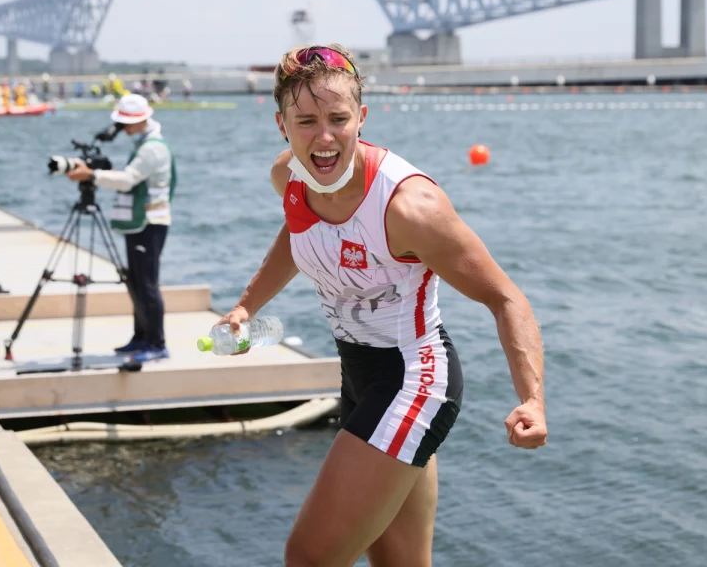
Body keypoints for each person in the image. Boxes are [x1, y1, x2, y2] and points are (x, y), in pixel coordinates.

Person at [217, 44, 547, 566]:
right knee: (398, 564)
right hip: (359, 375)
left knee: (308, 557)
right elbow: (297, 233)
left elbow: (505, 297)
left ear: (362, 118)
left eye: (338, 119)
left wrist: (532, 399)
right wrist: (246, 306)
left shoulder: (410, 207)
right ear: (281, 123)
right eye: (305, 121)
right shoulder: (291, 178)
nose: (323, 138)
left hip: (414, 380)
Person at [67, 93, 176, 363]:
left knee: (147, 284)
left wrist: (91, 175)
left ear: (141, 121)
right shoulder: (144, 144)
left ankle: (157, 343)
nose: (124, 129)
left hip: (149, 224)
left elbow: (128, 180)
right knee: (136, 282)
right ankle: (141, 337)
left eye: (127, 123)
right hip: (140, 223)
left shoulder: (152, 148)